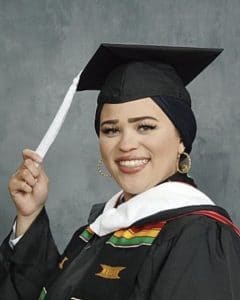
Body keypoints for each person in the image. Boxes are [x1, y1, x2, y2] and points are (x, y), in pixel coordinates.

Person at [1, 43, 240, 300]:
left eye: (145, 127)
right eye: (111, 130)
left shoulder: (199, 236)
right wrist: (30, 215)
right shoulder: (101, 227)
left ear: (181, 138)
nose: (125, 145)